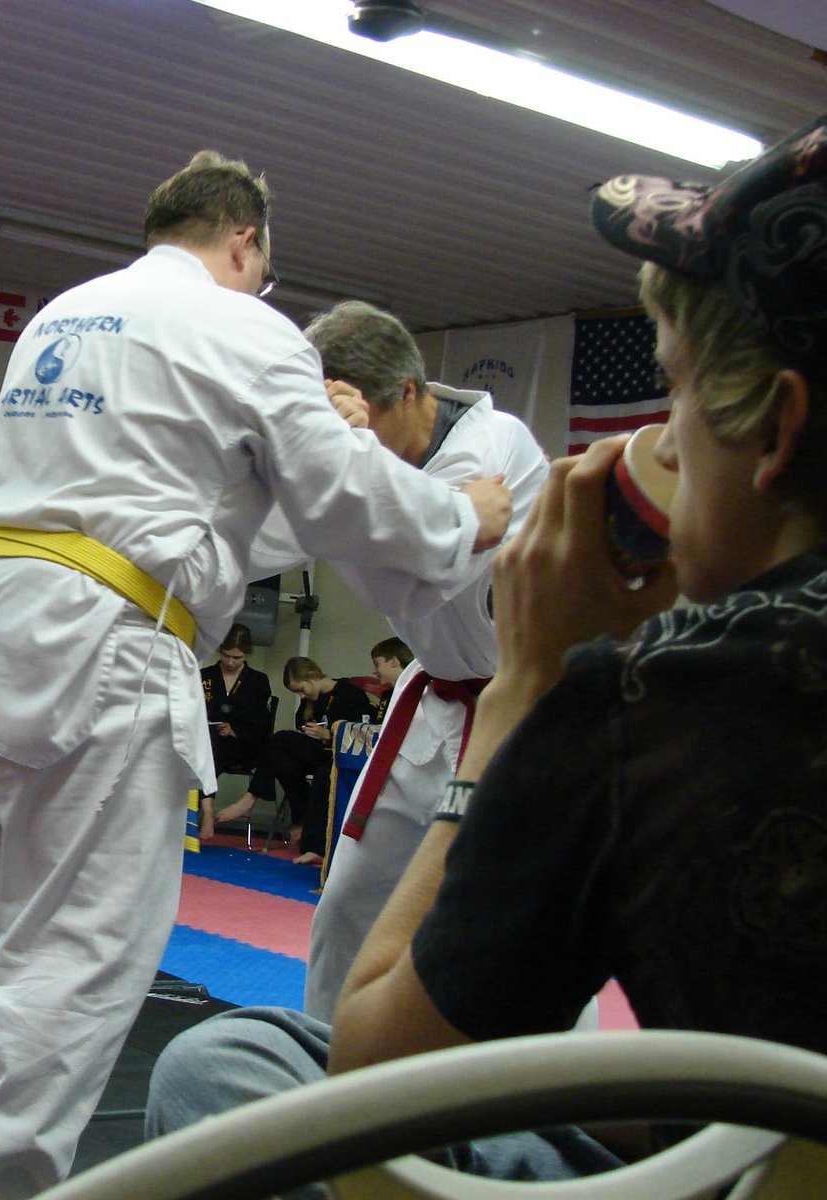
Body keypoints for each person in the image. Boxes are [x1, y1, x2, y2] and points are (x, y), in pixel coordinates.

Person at [148, 98, 827, 1184]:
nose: (662, 440)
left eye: (675, 390)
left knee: (230, 1068)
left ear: (774, 428)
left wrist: (531, 690)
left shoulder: (648, 695)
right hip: (792, 1137)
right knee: (350, 919)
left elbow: (381, 1080)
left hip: (498, 705)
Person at [0, 149, 512, 1200]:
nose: (266, 286)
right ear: (245, 240)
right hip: (92, 639)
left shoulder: (66, 313)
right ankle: (8, 1185)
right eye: (265, 268)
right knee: (83, 935)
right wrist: (462, 516)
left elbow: (218, 512)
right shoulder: (244, 327)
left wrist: (326, 464)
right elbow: (340, 497)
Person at [296, 301, 548, 1006]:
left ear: (407, 392)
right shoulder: (367, 465)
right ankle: (324, 1058)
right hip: (433, 702)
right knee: (347, 906)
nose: (352, 442)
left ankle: (552, 1080)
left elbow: (409, 587)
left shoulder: (488, 447)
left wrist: (351, 466)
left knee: (528, 930)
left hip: (521, 716)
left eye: (364, 422)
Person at [205, 657, 370, 846]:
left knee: (281, 738)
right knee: (284, 763)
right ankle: (303, 820)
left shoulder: (350, 693)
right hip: (317, 752)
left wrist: (327, 733)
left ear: (311, 677)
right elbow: (301, 723)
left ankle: (250, 799)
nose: (301, 696)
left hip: (340, 754)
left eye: (301, 690)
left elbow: (360, 734)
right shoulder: (311, 700)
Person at [201, 622, 272, 784]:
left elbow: (261, 721)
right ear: (219, 650)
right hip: (206, 740)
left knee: (210, 752)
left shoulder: (258, 681)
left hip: (242, 745)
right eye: (225, 656)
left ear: (246, 654)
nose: (230, 662)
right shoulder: (204, 676)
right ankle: (204, 798)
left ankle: (204, 798)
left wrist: (234, 730)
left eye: (237, 658)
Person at [368, 636, 411, 721]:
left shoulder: (421, 691)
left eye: (377, 664)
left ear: (394, 661)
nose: (374, 671)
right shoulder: (387, 695)